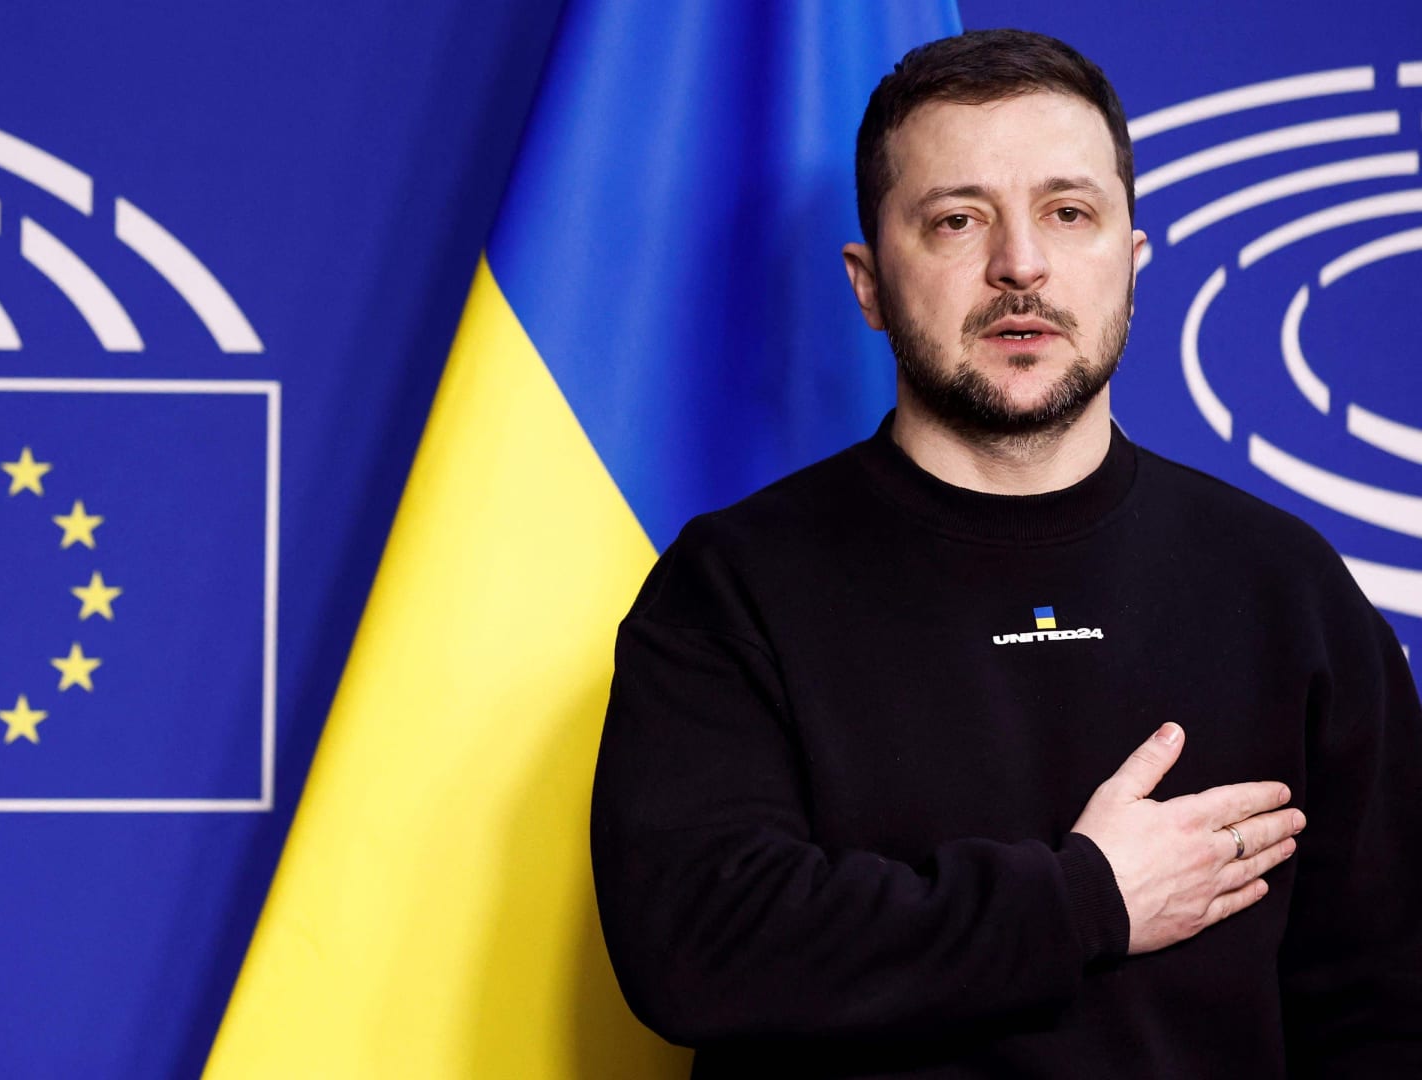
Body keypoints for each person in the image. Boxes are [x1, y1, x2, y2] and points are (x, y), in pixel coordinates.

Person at [590, 28, 1422, 1078]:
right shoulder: (732, 585)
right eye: (957, 219)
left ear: (1132, 262)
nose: (1020, 264)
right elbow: (697, 949)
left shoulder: (1287, 588)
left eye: (1068, 213)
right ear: (868, 284)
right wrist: (1086, 899)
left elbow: (1389, 1011)